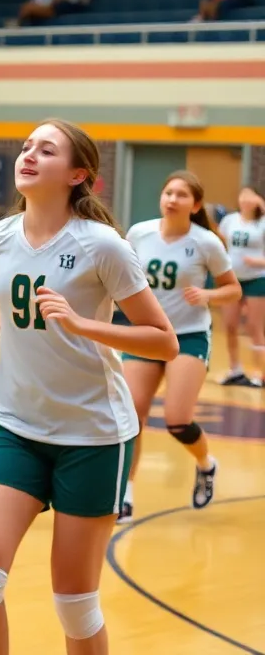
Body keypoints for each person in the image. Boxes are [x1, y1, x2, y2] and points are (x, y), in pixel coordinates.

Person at [0, 119, 177, 654]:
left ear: (78, 175)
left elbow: (164, 342)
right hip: (16, 428)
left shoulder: (103, 247)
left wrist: (84, 324)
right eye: (27, 147)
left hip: (93, 436)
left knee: (74, 603)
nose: (28, 155)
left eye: (46, 150)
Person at [119, 172, 239, 523]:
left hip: (188, 335)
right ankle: (125, 495)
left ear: (196, 205)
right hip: (146, 334)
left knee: (177, 421)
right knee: (130, 418)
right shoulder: (139, 233)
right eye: (168, 192)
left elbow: (232, 289)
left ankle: (206, 464)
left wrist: (208, 294)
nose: (172, 199)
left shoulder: (206, 242)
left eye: (181, 195)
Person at [216, 186, 265, 386]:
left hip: (256, 279)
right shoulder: (230, 221)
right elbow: (220, 245)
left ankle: (260, 373)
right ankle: (235, 369)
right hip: (232, 279)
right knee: (229, 325)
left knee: (254, 327)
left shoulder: (262, 223)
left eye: (251, 196)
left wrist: (258, 262)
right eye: (242, 195)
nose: (245, 199)